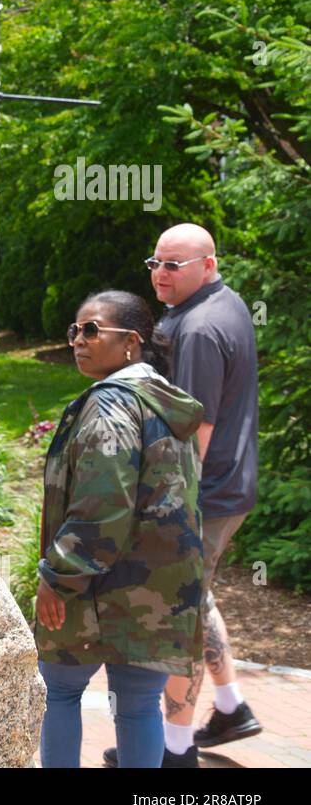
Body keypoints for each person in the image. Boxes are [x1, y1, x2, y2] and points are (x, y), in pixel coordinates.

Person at [106, 223, 261, 768]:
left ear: (208, 266)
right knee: (200, 599)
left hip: (204, 494)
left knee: (180, 617)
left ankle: (175, 751)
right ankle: (231, 705)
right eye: (156, 263)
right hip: (230, 488)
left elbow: (194, 429)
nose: (161, 274)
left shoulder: (198, 330)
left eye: (174, 265)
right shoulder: (226, 303)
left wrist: (168, 506)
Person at [35, 290, 204, 768]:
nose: (78, 341)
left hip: (98, 590)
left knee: (60, 692)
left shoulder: (111, 406)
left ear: (131, 341)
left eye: (92, 330)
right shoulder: (163, 402)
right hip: (161, 593)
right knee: (137, 706)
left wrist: (59, 576)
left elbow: (101, 505)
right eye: (75, 330)